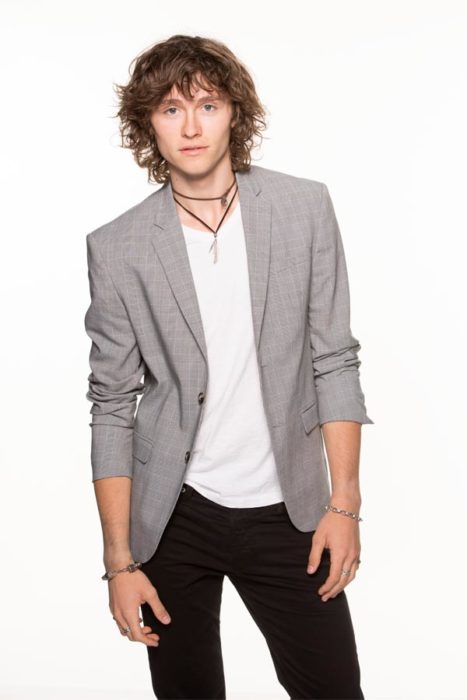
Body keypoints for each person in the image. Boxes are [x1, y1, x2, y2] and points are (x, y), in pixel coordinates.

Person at [84, 33, 374, 699]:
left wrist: (345, 502)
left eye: (207, 105)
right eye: (170, 109)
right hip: (174, 516)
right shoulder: (118, 248)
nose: (190, 127)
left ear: (234, 113)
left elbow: (333, 358)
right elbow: (111, 406)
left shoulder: (302, 209)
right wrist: (118, 561)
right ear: (147, 123)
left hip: (289, 509)